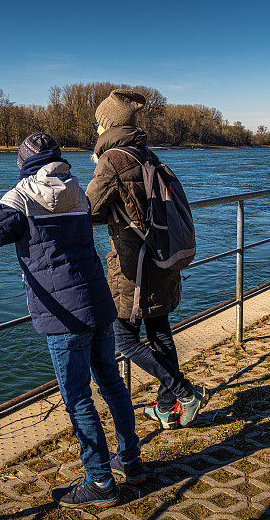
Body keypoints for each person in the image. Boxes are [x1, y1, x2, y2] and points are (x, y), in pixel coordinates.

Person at [0, 132, 145, 508]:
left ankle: (100, 482)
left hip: (63, 312)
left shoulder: (21, 195)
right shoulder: (78, 191)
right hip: (99, 301)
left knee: (77, 397)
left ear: (23, 163)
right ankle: (131, 463)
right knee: (111, 383)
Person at [85, 89, 208, 430]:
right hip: (162, 256)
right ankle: (167, 407)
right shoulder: (146, 155)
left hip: (134, 266)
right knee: (159, 330)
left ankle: (183, 392)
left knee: (124, 338)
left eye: (98, 123)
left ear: (108, 125)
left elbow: (90, 209)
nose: (95, 129)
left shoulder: (112, 160)